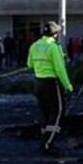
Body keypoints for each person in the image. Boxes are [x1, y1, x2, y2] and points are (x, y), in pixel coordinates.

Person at [27, 22, 74, 155]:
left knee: (45, 113)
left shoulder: (34, 45)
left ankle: (44, 140)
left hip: (38, 83)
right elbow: (60, 69)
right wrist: (68, 86)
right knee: (57, 112)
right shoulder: (53, 47)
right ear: (55, 34)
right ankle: (48, 144)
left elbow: (29, 64)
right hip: (51, 83)